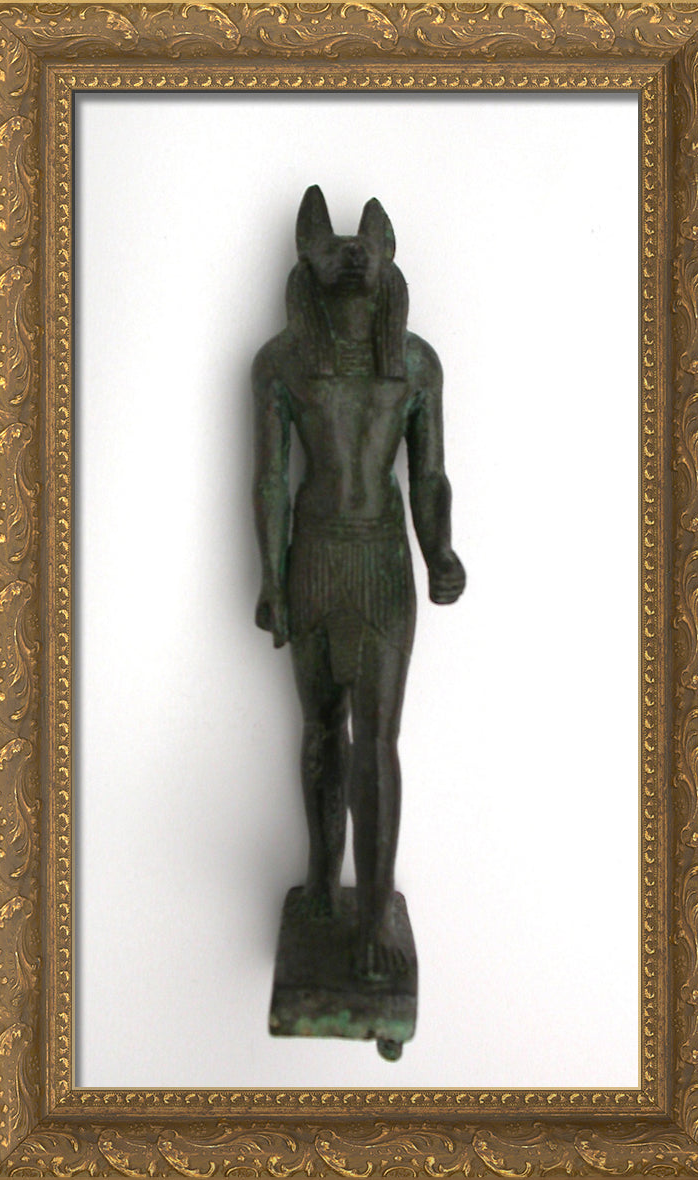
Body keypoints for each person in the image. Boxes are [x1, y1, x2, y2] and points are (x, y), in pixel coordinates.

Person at [253, 186, 465, 980]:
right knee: (320, 731)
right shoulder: (281, 363)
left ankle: (374, 913)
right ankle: (321, 882)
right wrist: (272, 579)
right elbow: (269, 482)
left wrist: (439, 549)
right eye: (334, 249)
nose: (349, 257)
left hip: (379, 558)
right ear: (306, 259)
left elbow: (429, 476)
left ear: (385, 257)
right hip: (313, 555)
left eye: (363, 248)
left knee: (375, 742)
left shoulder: (414, 365)